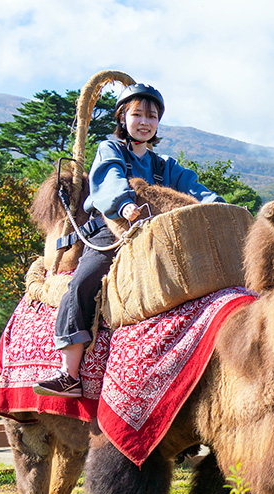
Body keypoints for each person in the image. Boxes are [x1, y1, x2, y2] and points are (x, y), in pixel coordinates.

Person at [34, 83, 225, 397]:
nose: (145, 121)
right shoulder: (110, 150)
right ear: (122, 117)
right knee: (85, 281)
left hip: (159, 237)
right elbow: (110, 178)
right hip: (111, 231)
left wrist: (222, 206)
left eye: (152, 116)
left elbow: (195, 189)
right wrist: (124, 204)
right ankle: (69, 372)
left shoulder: (164, 166)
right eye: (137, 114)